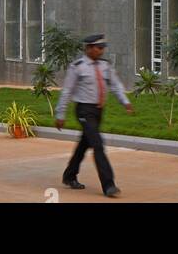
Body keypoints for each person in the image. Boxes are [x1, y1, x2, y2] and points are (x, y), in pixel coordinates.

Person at [55, 34, 133, 197]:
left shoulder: (105, 66)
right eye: (99, 48)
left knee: (85, 143)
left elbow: (116, 85)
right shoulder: (77, 66)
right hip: (84, 110)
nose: (101, 51)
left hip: (98, 110)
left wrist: (125, 101)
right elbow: (67, 91)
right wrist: (60, 113)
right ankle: (108, 185)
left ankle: (69, 175)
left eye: (103, 48)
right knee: (97, 144)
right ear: (89, 48)